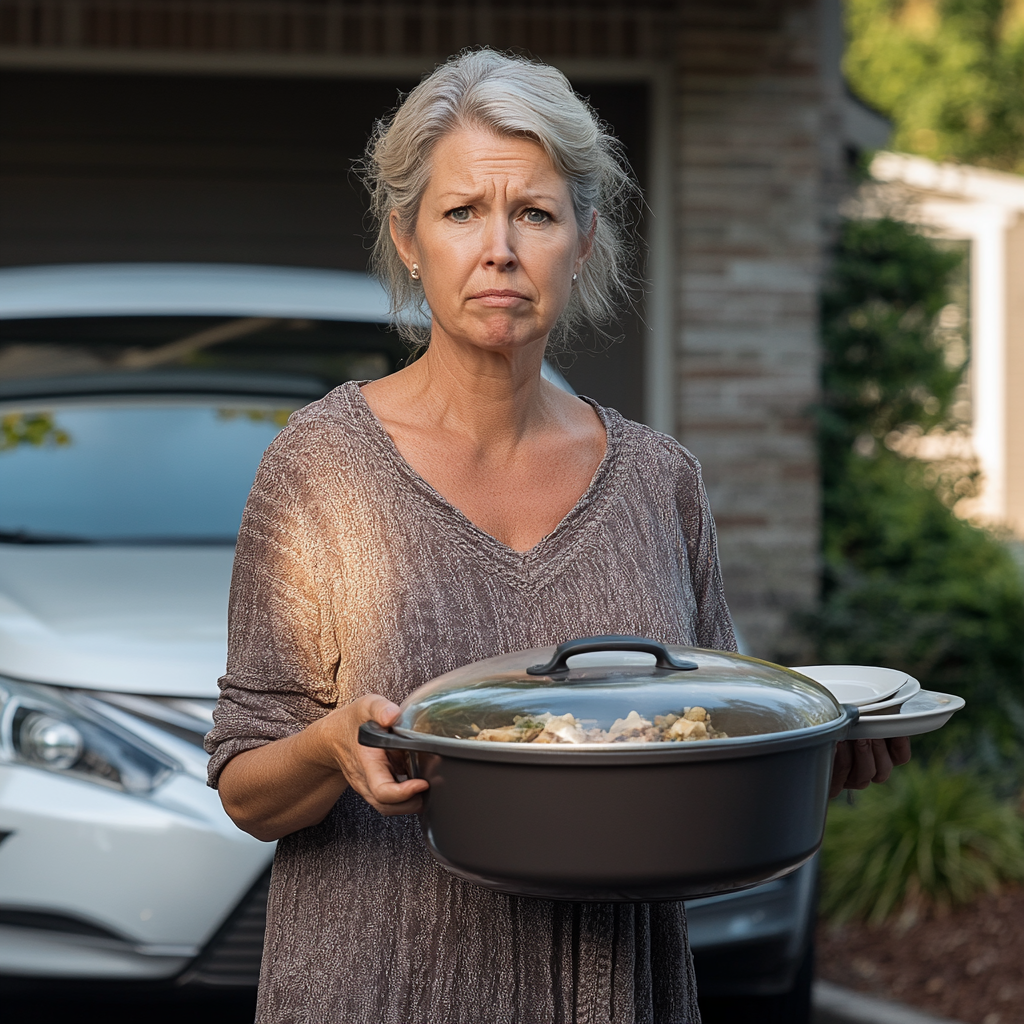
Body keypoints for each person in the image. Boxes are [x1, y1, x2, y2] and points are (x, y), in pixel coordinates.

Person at [206, 48, 906, 1024]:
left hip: (618, 996)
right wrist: (330, 745)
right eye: (461, 213)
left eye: (533, 213)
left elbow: (712, 749)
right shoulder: (320, 467)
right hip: (379, 990)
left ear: (582, 240)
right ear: (408, 237)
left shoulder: (660, 481)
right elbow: (246, 787)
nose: (499, 248)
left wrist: (816, 753)